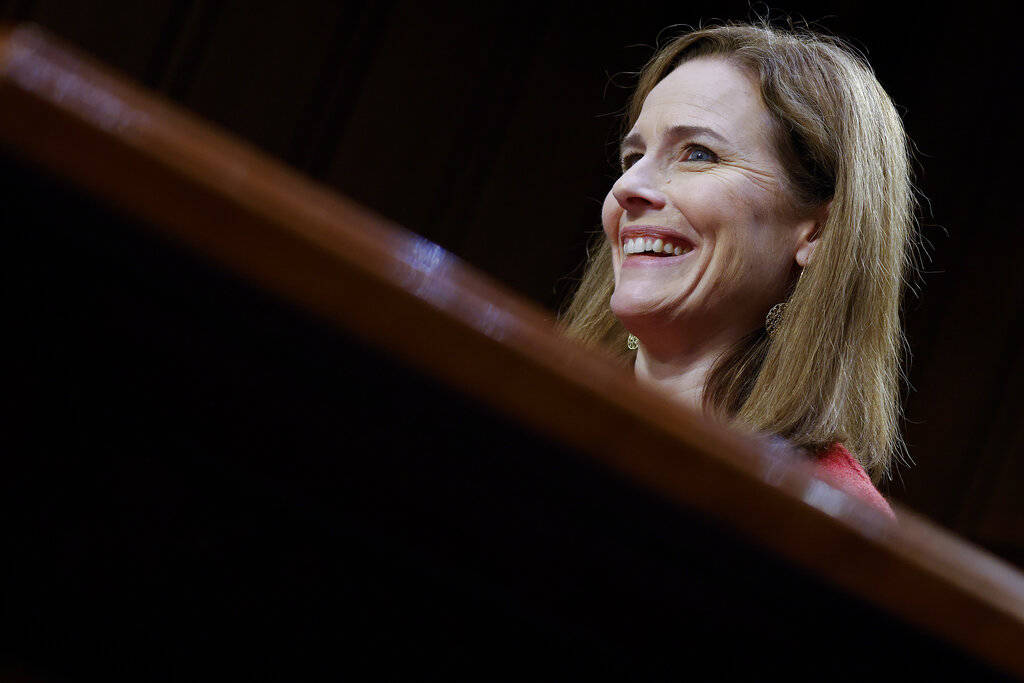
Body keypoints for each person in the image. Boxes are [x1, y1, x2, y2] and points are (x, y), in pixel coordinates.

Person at [562, 22, 919, 517]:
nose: (627, 188)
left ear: (817, 232)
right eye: (633, 156)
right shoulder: (521, 404)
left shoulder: (829, 522)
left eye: (698, 154)